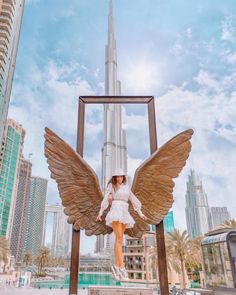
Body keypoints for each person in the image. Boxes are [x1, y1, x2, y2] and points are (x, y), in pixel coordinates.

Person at [96, 168, 147, 281]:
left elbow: (133, 200)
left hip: (124, 212)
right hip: (115, 210)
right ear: (115, 177)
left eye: (121, 176)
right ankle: (122, 267)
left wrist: (140, 213)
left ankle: (117, 266)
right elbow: (105, 199)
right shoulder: (111, 186)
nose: (119, 178)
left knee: (119, 240)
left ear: (123, 177)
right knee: (119, 238)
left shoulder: (127, 188)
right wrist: (100, 213)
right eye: (117, 176)